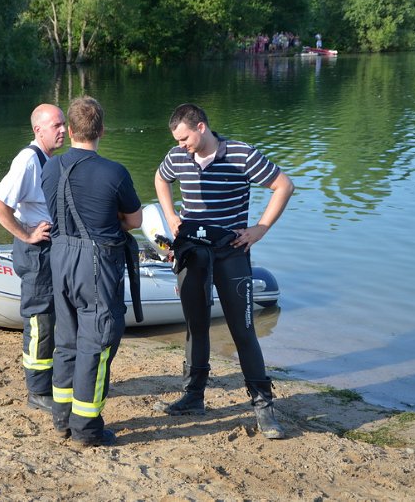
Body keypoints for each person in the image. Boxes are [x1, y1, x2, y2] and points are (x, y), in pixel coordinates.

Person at [153, 103, 294, 440]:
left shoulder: (242, 154)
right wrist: (170, 215)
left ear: (201, 127)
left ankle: (263, 405)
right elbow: (160, 178)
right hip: (192, 251)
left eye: (185, 138)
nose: (181, 145)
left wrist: (260, 228)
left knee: (243, 331)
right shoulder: (177, 156)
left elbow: (284, 186)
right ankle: (193, 396)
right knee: (196, 327)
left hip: (231, 251)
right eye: (177, 140)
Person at [41, 96, 142, 447]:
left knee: (66, 340)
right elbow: (134, 220)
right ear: (102, 130)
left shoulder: (50, 167)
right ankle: (86, 428)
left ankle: (62, 418)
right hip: (96, 264)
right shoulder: (114, 172)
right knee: (96, 344)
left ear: (69, 131)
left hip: (60, 257)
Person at [0, 104, 67, 413]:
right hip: (35, 253)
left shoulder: (48, 160)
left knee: (50, 319)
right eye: (56, 125)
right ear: (39, 130)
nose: (63, 130)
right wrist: (26, 234)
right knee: (39, 321)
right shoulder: (28, 160)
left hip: (48, 251)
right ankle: (37, 391)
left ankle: (46, 383)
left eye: (63, 124)